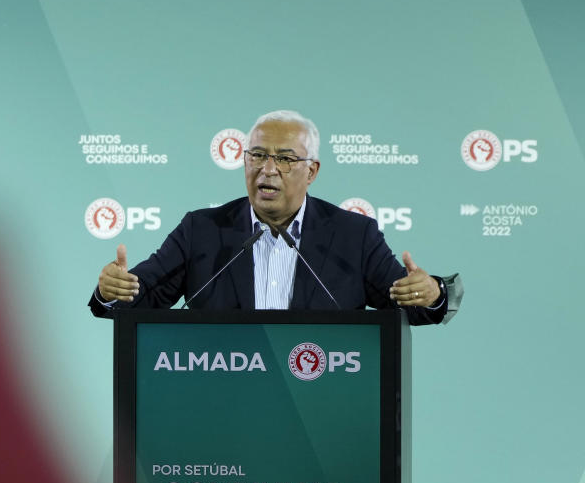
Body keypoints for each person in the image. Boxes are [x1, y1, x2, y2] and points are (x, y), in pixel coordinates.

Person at [89, 110, 460, 325]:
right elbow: (143, 295)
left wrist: (430, 293)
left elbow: (406, 300)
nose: (268, 170)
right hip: (221, 409)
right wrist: (113, 291)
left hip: (318, 408)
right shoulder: (201, 230)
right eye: (257, 156)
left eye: (284, 158)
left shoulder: (353, 235)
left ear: (311, 171)